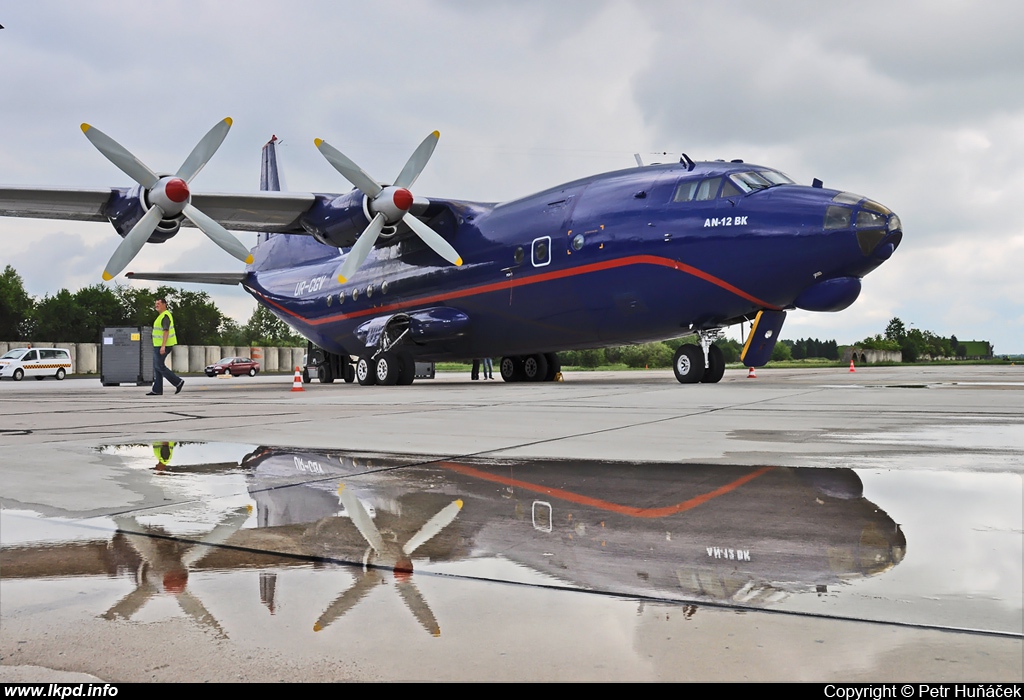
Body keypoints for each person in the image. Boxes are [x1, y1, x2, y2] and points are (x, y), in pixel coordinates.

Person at [149, 298, 184, 396]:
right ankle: (157, 390)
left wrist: (163, 346)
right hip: (158, 345)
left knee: (159, 366)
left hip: (163, 345)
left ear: (164, 304)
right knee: (157, 367)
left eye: (158, 304)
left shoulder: (165, 316)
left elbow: (166, 331)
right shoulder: (160, 316)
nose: (156, 305)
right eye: (155, 304)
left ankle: (177, 382)